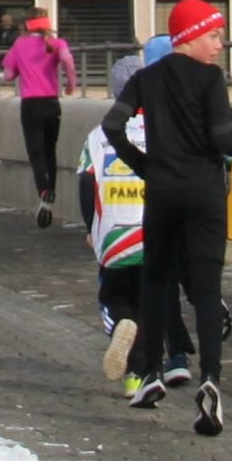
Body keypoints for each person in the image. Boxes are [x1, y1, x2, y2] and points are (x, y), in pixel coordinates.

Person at [105, 0, 232, 438]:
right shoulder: (210, 79)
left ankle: (149, 375)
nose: (219, 44)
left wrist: (142, 163)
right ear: (190, 36)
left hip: (161, 192)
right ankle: (210, 381)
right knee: (205, 289)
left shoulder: (146, 78)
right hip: (204, 193)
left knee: (156, 281)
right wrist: (228, 132)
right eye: (213, 35)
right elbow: (223, 139)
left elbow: (113, 125)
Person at [81, 90, 161, 411]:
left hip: (114, 233)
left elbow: (86, 186)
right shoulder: (162, 130)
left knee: (113, 297)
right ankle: (136, 377)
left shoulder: (99, 135)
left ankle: (118, 325)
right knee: (145, 303)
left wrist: (91, 229)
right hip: (152, 229)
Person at [1, 10, 79, 228]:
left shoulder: (19, 44)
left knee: (36, 153)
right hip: (52, 104)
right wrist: (71, 84)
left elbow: (7, 75)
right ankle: (48, 201)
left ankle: (43, 190)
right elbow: (67, 60)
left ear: (26, 25)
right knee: (49, 151)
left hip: (30, 105)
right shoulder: (57, 43)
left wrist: (19, 70)